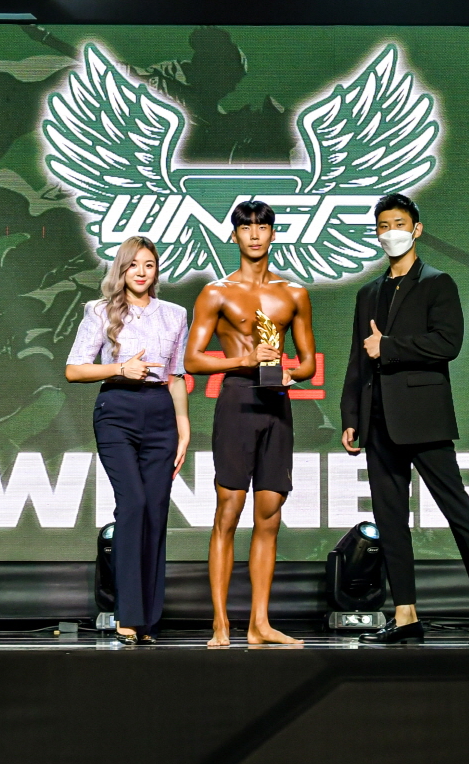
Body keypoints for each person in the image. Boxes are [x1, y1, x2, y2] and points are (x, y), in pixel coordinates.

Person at [340, 192, 469, 645]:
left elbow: (447, 343)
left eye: (398, 224)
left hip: (423, 416)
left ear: (416, 229)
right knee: (390, 518)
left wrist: (389, 347)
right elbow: (357, 360)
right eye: (382, 226)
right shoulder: (368, 293)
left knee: (457, 508)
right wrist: (351, 415)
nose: (390, 233)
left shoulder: (438, 283)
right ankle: (405, 613)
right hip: (377, 419)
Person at [184, 200, 317, 647]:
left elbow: (307, 362)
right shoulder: (216, 293)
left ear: (273, 234)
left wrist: (290, 373)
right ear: (235, 235)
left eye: (262, 227)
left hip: (276, 404)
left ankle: (260, 624)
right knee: (229, 509)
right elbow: (192, 359)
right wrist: (244, 361)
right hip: (238, 400)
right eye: (246, 228)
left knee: (270, 514)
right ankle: (221, 623)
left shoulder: (294, 294)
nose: (255, 235)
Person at [65, 236, 190, 645]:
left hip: (160, 414)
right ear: (121, 269)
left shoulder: (174, 314)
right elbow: (74, 370)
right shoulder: (100, 311)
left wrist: (183, 425)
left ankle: (147, 620)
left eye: (149, 265)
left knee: (155, 511)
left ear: (156, 271)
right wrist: (119, 368)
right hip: (117, 410)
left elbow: (176, 376)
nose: (141, 272)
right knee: (133, 504)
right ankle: (128, 614)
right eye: (133, 264)